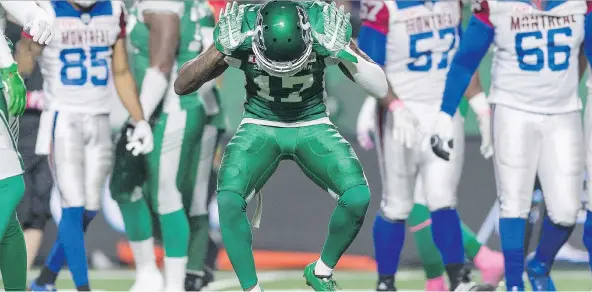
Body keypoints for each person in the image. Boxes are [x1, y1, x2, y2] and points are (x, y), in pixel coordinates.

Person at [174, 1, 391, 290]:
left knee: (358, 196)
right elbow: (182, 84)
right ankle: (251, 289)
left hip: (311, 121)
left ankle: (322, 271)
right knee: (228, 200)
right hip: (260, 123)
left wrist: (345, 51)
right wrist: (219, 49)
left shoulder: (321, 24)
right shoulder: (244, 25)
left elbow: (380, 88)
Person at [432, 1, 592, 290]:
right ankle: (515, 284)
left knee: (567, 212)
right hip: (513, 109)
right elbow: (466, 60)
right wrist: (445, 112)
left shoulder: (580, 4)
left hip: (564, 112)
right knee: (514, 203)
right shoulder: (497, 5)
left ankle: (539, 264)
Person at [355, 0, 498, 290]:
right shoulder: (385, 6)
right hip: (402, 111)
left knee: (442, 198)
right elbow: (366, 64)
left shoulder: (452, 3)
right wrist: (392, 105)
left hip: (444, 111)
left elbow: (464, 59)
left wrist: (479, 104)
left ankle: (458, 280)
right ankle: (386, 283)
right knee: (397, 203)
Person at [18, 1, 153, 290]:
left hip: (100, 118)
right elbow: (23, 64)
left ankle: (45, 279)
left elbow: (120, 71)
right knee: (73, 206)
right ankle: (82, 287)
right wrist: (28, 43)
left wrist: (140, 119)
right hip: (64, 118)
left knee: (90, 209)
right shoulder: (50, 11)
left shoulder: (113, 9)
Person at [109, 0, 225, 290]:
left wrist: (140, 118)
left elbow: (161, 66)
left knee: (169, 196)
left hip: (174, 107)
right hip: (168, 107)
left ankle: (177, 280)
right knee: (125, 186)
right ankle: (151, 272)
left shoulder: (163, 4)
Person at [0, 2, 54, 290]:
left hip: (39, 134)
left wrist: (39, 16)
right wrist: (11, 65)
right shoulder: (12, 47)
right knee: (11, 190)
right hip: (10, 113)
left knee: (23, 216)